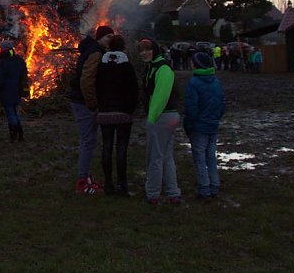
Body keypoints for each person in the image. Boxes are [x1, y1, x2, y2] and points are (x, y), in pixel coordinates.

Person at [68, 25, 114, 195]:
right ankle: (82, 181)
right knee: (88, 141)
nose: (110, 40)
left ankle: (86, 177)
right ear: (100, 37)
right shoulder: (95, 53)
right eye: (108, 37)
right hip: (83, 102)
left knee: (89, 140)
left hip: (80, 100)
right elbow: (87, 80)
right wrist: (92, 103)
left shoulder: (92, 49)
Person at [138, 37, 183, 205]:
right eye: (141, 50)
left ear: (155, 50)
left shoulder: (162, 68)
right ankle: (173, 193)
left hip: (162, 116)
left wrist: (152, 118)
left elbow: (161, 95)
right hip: (166, 116)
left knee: (154, 157)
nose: (144, 53)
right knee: (166, 156)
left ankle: (153, 194)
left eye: (147, 49)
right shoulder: (153, 67)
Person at [95, 34, 139, 196]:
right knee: (121, 148)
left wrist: (100, 105)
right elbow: (134, 89)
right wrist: (130, 109)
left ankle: (108, 184)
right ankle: (122, 185)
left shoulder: (102, 65)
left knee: (106, 147)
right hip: (123, 113)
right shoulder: (127, 66)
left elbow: (96, 86)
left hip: (105, 112)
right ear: (123, 47)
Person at [183, 52, 226, 200]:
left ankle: (204, 189)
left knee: (200, 158)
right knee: (211, 157)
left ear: (196, 65)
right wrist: (215, 118)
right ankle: (214, 185)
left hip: (198, 127)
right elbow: (221, 104)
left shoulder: (193, 83)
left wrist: (189, 125)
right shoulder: (216, 82)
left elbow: (191, 108)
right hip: (212, 125)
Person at [0, 40, 28, 142]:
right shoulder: (19, 60)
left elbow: (0, 79)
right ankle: (20, 135)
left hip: (6, 91)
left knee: (10, 113)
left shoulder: (3, 62)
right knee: (15, 112)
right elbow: (24, 76)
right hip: (17, 91)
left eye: (1, 48)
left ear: (4, 49)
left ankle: (13, 136)